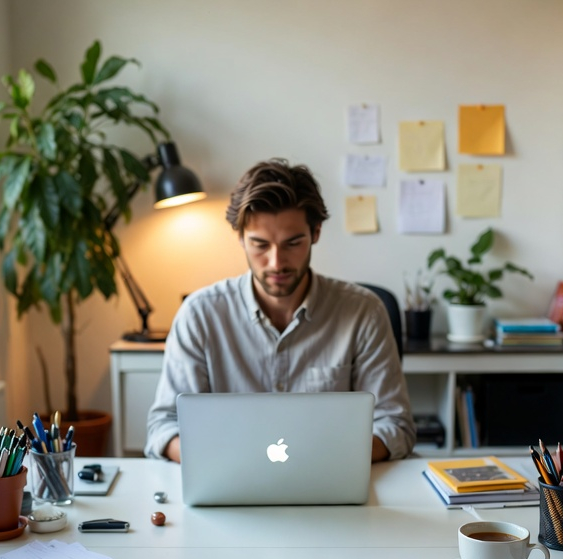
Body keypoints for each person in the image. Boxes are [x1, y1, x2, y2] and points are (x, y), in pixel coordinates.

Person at [145, 158, 415, 463]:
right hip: (230, 484)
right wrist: (226, 461)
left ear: (316, 233)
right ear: (240, 238)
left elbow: (395, 426)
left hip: (328, 486)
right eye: (260, 245)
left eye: (293, 243)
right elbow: (163, 428)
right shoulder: (199, 316)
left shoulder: (363, 313)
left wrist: (324, 462)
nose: (276, 263)